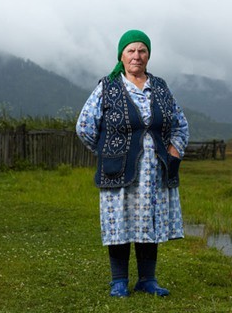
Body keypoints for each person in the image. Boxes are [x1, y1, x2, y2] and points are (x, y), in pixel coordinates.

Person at [76, 29, 189, 298]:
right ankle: (118, 282)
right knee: (120, 224)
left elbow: (180, 125)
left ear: (148, 55)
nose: (136, 56)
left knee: (148, 224)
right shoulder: (108, 86)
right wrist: (107, 151)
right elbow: (84, 126)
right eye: (131, 51)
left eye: (142, 50)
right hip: (119, 171)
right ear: (121, 55)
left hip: (155, 173)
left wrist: (174, 151)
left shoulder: (160, 87)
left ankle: (147, 280)